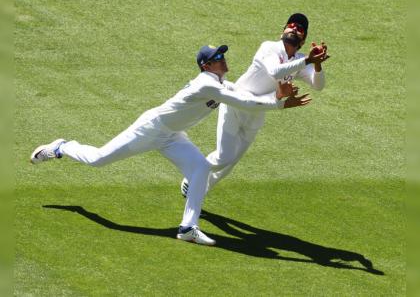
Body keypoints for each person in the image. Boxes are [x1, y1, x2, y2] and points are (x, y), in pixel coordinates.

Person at [30, 44, 315, 246]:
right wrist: (279, 104)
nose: (223, 59)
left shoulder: (221, 83)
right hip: (151, 129)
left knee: (201, 169)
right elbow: (244, 101)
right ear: (207, 65)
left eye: (222, 55)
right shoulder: (207, 83)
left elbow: (242, 94)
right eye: (218, 57)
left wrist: (279, 96)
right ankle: (62, 146)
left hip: (173, 135)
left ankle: (188, 227)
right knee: (98, 159)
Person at [181, 13, 330, 197]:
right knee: (223, 157)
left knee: (229, 165)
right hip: (237, 103)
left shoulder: (297, 61)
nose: (294, 29)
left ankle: (197, 193)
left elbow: (318, 85)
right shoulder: (270, 47)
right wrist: (308, 60)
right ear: (283, 30)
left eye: (300, 29)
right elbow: (275, 71)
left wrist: (317, 65)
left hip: (258, 112)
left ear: (303, 38)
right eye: (291, 25)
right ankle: (193, 175)